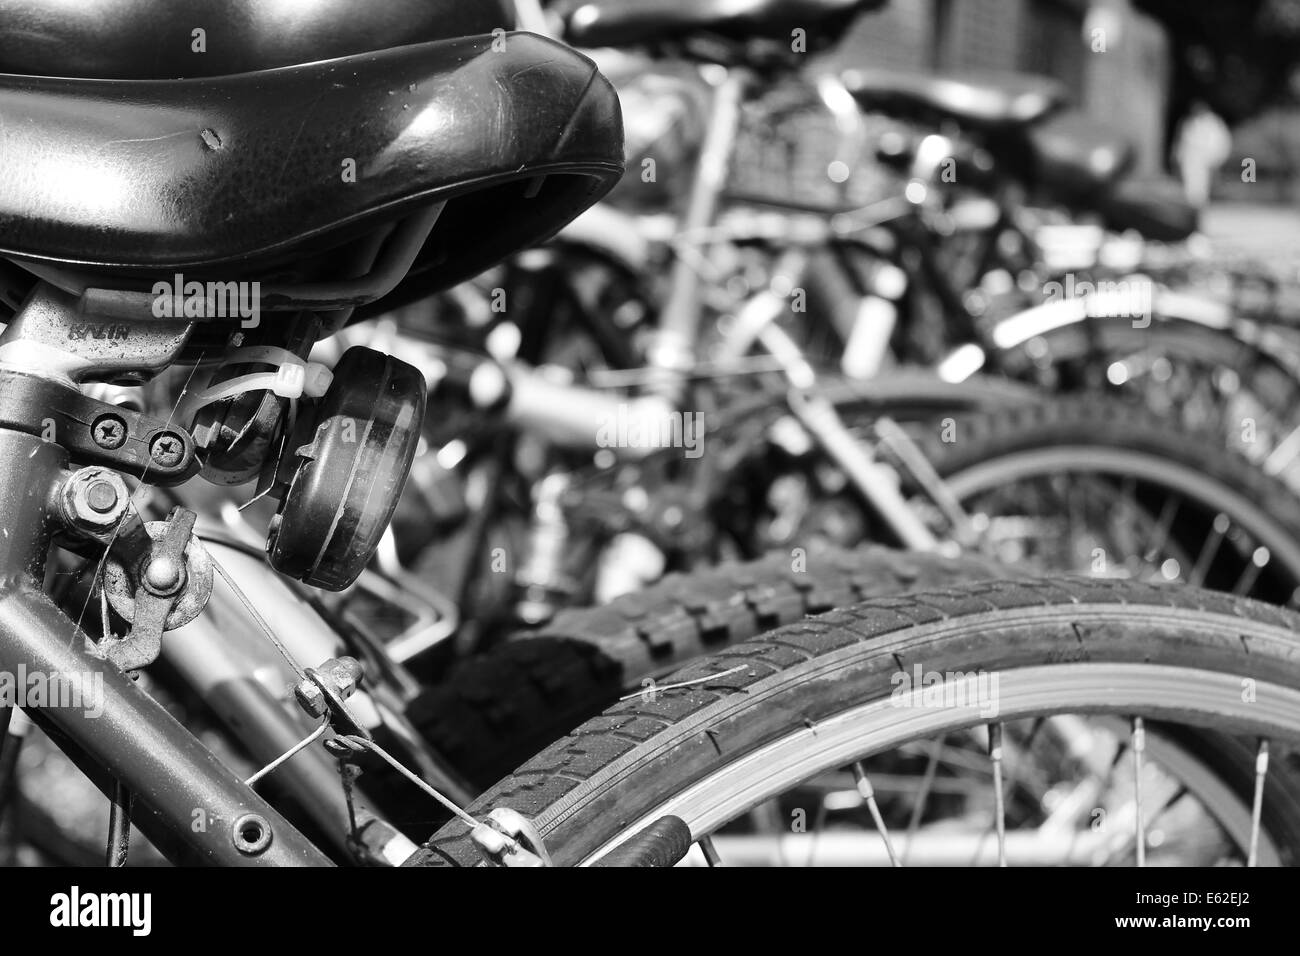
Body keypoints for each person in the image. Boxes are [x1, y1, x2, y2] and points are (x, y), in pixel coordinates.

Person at [1172, 100, 1232, 210]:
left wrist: (1217, 157)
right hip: (1190, 157)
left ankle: (1199, 205)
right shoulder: (1189, 122)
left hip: (1204, 158)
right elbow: (1184, 141)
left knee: (1202, 183)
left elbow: (1219, 142)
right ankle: (1191, 204)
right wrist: (1179, 154)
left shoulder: (1213, 123)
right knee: (1189, 181)